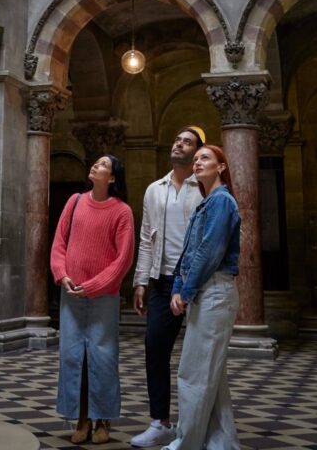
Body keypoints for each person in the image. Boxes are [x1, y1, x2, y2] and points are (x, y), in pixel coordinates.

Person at [50, 154, 135, 445]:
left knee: (103, 358)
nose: (95, 167)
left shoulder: (122, 212)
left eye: (102, 165)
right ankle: (82, 418)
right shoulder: (74, 202)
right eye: (96, 163)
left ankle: (104, 421)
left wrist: (95, 285)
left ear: (112, 178)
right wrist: (62, 275)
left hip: (102, 298)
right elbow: (59, 243)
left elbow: (123, 260)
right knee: (74, 358)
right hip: (71, 295)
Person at [130, 128, 205, 448]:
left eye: (187, 142)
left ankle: (197, 427)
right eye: (177, 139)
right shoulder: (154, 190)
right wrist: (141, 279)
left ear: (198, 152)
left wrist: (191, 283)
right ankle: (160, 422)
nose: (179, 144)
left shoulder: (204, 189)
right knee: (154, 349)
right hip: (161, 281)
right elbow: (147, 236)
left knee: (198, 358)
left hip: (195, 281)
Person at [165, 145, 241, 450]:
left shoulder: (222, 202)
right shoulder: (207, 203)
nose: (197, 162)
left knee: (194, 374)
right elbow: (188, 252)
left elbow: (209, 252)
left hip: (214, 292)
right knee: (213, 377)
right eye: (195, 159)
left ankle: (185, 444)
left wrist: (185, 291)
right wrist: (177, 288)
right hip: (207, 292)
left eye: (205, 158)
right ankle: (223, 444)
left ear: (221, 167)